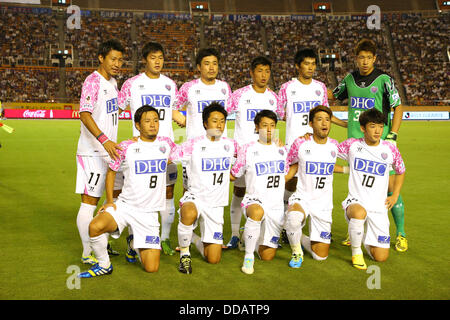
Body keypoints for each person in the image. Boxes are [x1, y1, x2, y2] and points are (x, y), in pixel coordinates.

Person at [78, 105, 178, 278]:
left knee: (152, 268)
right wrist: (110, 201)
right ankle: (104, 264)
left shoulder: (166, 144)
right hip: (125, 207)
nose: (153, 124)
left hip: (149, 214)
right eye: (147, 121)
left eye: (156, 120)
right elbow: (111, 171)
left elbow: (183, 154)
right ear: (138, 125)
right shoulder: (126, 147)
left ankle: (133, 245)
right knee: (95, 226)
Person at [330, 38, 408, 252]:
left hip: (379, 142)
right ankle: (354, 230)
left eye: (368, 57)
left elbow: (398, 106)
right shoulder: (349, 79)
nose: (364, 61)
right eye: (361, 57)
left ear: (374, 58)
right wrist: (334, 119)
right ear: (356, 59)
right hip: (355, 143)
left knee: (391, 188)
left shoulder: (384, 79)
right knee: (358, 188)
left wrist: (392, 134)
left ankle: (400, 233)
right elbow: (332, 97)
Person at [118, 42, 185, 257]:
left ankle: (163, 239)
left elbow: (174, 113)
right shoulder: (132, 84)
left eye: (161, 58)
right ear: (145, 60)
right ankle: (132, 239)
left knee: (167, 194)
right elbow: (116, 110)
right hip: (141, 149)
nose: (158, 62)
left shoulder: (170, 85)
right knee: (138, 195)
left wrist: (190, 122)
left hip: (167, 150)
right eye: (153, 57)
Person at [75, 39, 125, 266]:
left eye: (120, 60)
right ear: (101, 58)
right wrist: (104, 140)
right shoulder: (92, 81)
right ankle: (88, 252)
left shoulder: (113, 82)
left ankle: (99, 245)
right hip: (92, 152)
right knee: (89, 202)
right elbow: (84, 113)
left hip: (107, 152)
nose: (117, 64)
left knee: (108, 199)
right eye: (113, 59)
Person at [225, 56, 283, 249]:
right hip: (244, 155)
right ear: (251, 72)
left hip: (266, 155)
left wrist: (277, 141)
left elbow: (278, 122)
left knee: (265, 193)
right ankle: (234, 234)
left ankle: (265, 232)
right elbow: (222, 116)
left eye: (267, 71)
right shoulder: (239, 94)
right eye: (260, 71)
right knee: (239, 191)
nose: (264, 75)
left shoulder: (274, 98)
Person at [337, 108, 406, 270]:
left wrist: (395, 195)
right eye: (373, 126)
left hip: (378, 207)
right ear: (363, 128)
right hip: (356, 201)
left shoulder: (390, 149)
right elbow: (326, 152)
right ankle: (356, 253)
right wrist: (345, 170)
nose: (377, 131)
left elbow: (401, 171)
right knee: (359, 213)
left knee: (381, 257)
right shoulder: (352, 145)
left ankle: (361, 237)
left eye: (381, 127)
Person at [174, 103, 238, 274]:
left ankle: (194, 239)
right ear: (205, 124)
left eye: (223, 121)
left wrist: (275, 142)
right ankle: (185, 255)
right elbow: (168, 157)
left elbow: (251, 155)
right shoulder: (192, 145)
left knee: (213, 259)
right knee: (188, 213)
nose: (219, 125)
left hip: (216, 205)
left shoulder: (231, 146)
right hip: (195, 197)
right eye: (214, 121)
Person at [230, 110, 293, 275]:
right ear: (257, 127)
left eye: (273, 125)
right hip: (254, 201)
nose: (269, 129)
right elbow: (234, 174)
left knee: (267, 256)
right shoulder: (247, 149)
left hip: (276, 206)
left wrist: (299, 165)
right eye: (265, 125)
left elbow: (285, 176)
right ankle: (248, 257)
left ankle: (248, 237)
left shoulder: (282, 150)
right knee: (257, 212)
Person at [284, 105, 341, 268]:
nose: (324, 123)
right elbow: (289, 164)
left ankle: (297, 235)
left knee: (320, 256)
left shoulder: (335, 146)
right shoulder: (300, 143)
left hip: (323, 204)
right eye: (319, 119)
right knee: (294, 219)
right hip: (302, 197)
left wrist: (346, 169)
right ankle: (296, 251)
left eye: (328, 120)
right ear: (310, 123)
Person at [277, 48, 329, 215]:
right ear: (298, 66)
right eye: (307, 64)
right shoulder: (286, 88)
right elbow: (278, 113)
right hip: (293, 143)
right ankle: (285, 218)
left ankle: (314, 220)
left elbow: (325, 112)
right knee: (291, 182)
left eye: (313, 64)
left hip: (316, 144)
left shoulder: (320, 87)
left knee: (313, 183)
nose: (311, 67)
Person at [173, 47, 232, 195]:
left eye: (215, 63)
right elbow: (171, 107)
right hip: (194, 149)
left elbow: (227, 113)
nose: (211, 67)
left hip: (218, 148)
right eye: (207, 63)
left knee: (215, 191)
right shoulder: (189, 87)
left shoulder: (224, 87)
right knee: (189, 191)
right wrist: (183, 119)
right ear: (199, 67)